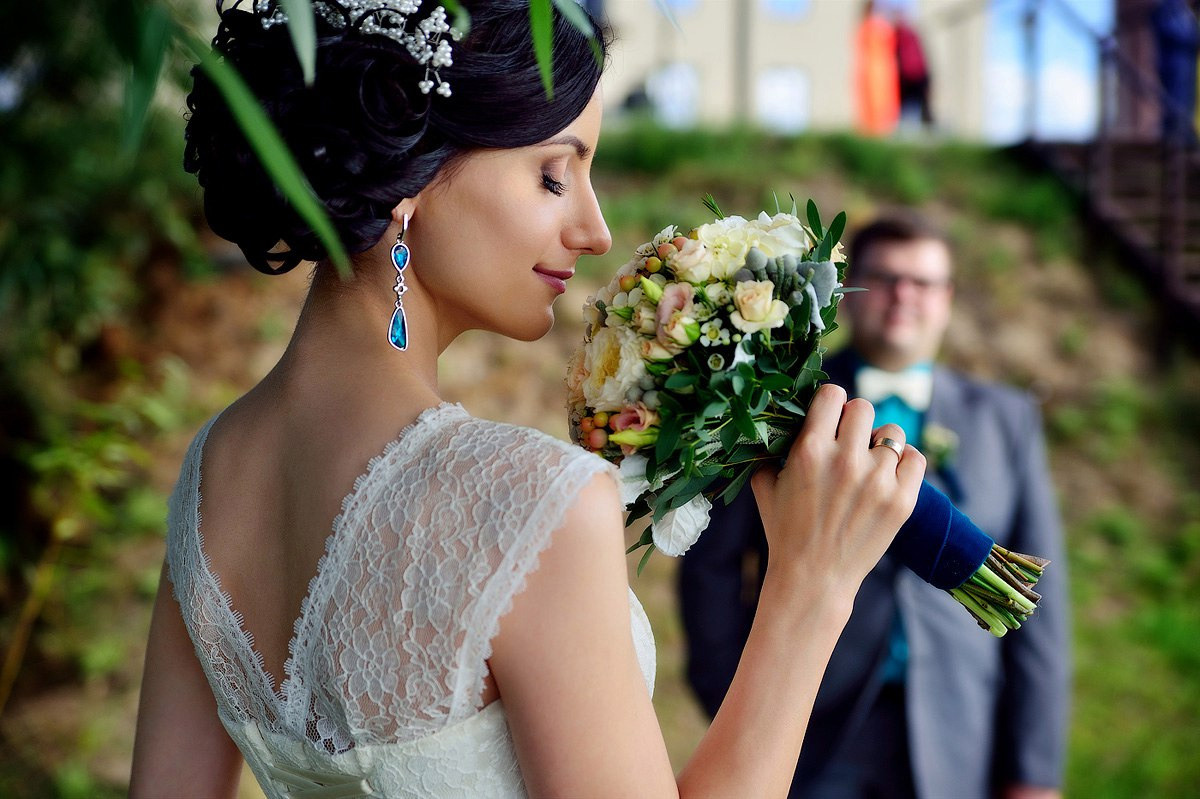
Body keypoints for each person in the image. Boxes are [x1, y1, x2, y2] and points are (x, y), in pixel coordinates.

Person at [129, 2, 925, 797]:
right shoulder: (527, 503)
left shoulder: (205, 481)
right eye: (553, 174)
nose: (596, 228)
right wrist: (809, 589)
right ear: (408, 177)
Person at [680, 214, 1071, 799]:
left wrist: (1034, 771)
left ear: (948, 298)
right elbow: (712, 567)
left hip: (960, 725)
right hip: (809, 726)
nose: (902, 295)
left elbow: (1045, 606)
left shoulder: (1006, 420)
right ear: (849, 291)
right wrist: (729, 696)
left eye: (922, 282)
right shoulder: (778, 401)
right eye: (884, 277)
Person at [854, 0, 900, 136]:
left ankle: (881, 130)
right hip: (873, 68)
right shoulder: (869, 26)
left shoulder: (880, 25)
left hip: (883, 67)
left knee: (883, 102)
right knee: (872, 101)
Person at [893, 11, 933, 129]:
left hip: (910, 80)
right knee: (915, 110)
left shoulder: (901, 37)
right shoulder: (912, 36)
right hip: (919, 78)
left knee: (909, 112)